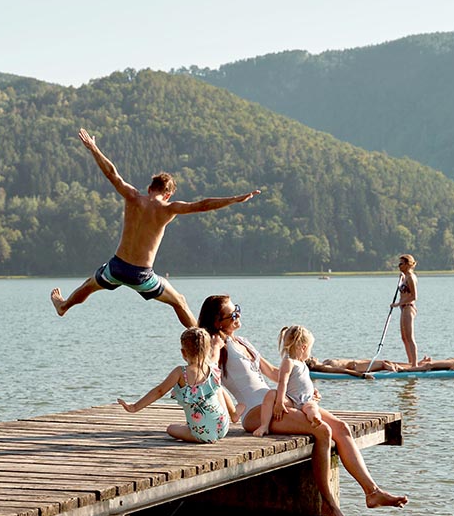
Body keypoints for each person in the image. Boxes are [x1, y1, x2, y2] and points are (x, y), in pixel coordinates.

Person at [198, 295, 408, 516]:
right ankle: (328, 503)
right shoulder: (215, 346)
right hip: (256, 411)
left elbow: (276, 374)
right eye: (232, 314)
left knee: (341, 428)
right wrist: (214, 351)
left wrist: (304, 389)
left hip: (278, 399)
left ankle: (372, 492)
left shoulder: (243, 342)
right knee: (323, 431)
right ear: (218, 322)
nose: (238, 315)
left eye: (238, 309)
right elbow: (208, 376)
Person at [51, 129, 260, 327]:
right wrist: (235, 199)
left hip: (117, 267)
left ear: (150, 188)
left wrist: (94, 149)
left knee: (90, 284)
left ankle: (64, 306)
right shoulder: (169, 208)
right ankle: (202, 340)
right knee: (179, 302)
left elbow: (112, 174)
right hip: (141, 275)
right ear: (168, 194)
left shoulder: (132, 196)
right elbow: (203, 204)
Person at [118, 327, 244, 443]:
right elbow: (215, 357)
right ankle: (233, 413)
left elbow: (159, 391)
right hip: (222, 427)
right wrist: (217, 345)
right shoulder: (211, 368)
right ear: (207, 350)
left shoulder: (180, 372)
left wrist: (134, 407)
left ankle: (196, 427)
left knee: (171, 429)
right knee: (218, 389)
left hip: (201, 435)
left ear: (183, 353)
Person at [254, 325, 323, 437]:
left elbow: (302, 381)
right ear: (304, 348)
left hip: (305, 400)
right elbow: (282, 382)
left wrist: (312, 391)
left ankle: (315, 418)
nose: (310, 353)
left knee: (312, 408)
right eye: (310, 349)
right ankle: (264, 425)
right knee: (271, 394)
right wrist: (280, 402)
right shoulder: (289, 362)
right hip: (290, 399)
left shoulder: (302, 363)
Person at [392, 254, 418, 366]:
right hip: (403, 308)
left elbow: (414, 296)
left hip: (408, 307)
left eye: (401, 264)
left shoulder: (411, 277)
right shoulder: (405, 276)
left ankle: (415, 364)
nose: (399, 266)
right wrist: (402, 278)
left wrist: (398, 303)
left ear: (408, 264)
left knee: (409, 337)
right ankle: (410, 361)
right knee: (404, 337)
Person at [306, 357, 404, 378]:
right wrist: (363, 376)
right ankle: (404, 370)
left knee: (387, 361)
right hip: (357, 367)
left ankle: (414, 364)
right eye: (311, 359)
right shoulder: (325, 368)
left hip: (357, 362)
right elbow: (344, 371)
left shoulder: (324, 362)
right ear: (312, 365)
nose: (312, 357)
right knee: (384, 364)